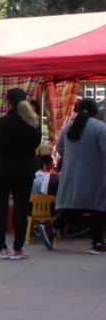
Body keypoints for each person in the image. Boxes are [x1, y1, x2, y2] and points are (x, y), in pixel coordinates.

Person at [46, 98, 106, 254]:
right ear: (95, 111)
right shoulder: (100, 128)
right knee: (99, 208)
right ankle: (97, 243)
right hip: (96, 175)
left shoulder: (68, 128)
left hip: (72, 174)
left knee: (75, 207)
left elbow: (59, 149)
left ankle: (52, 227)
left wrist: (75, 159)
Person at [0, 88, 42, 260]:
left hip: (1, 169)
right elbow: (36, 144)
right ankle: (18, 249)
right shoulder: (33, 124)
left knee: (0, 207)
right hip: (24, 169)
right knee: (21, 207)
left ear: (7, 103)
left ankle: (2, 248)